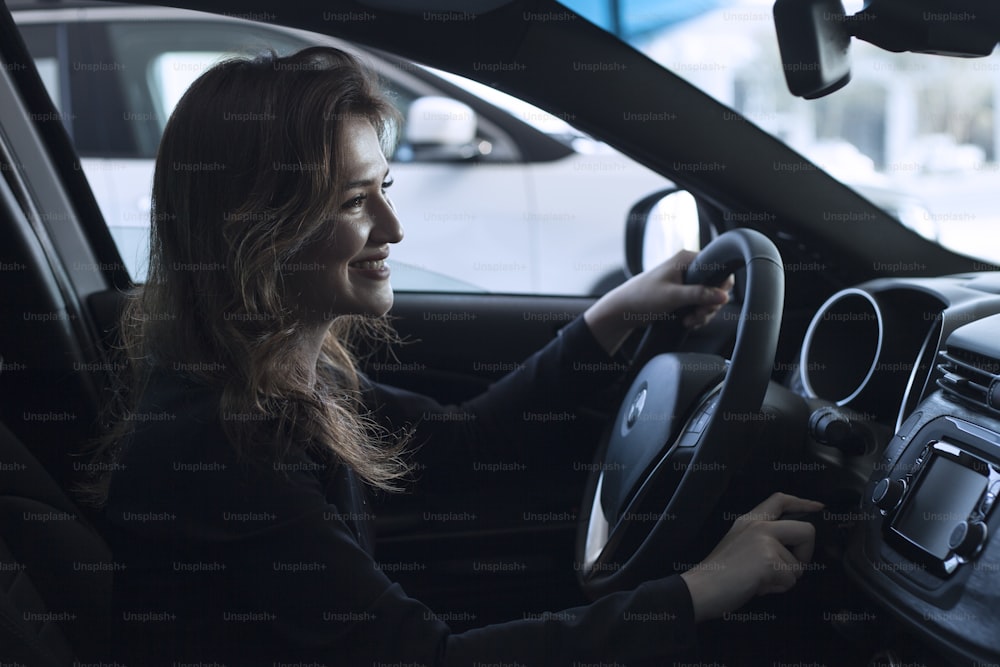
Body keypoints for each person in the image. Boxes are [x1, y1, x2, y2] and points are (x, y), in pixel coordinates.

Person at [96, 46, 823, 666]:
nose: (394, 226)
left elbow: (466, 443)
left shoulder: (281, 371)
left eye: (384, 186)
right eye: (354, 202)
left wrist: (620, 309)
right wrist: (706, 585)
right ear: (259, 231)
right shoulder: (223, 442)